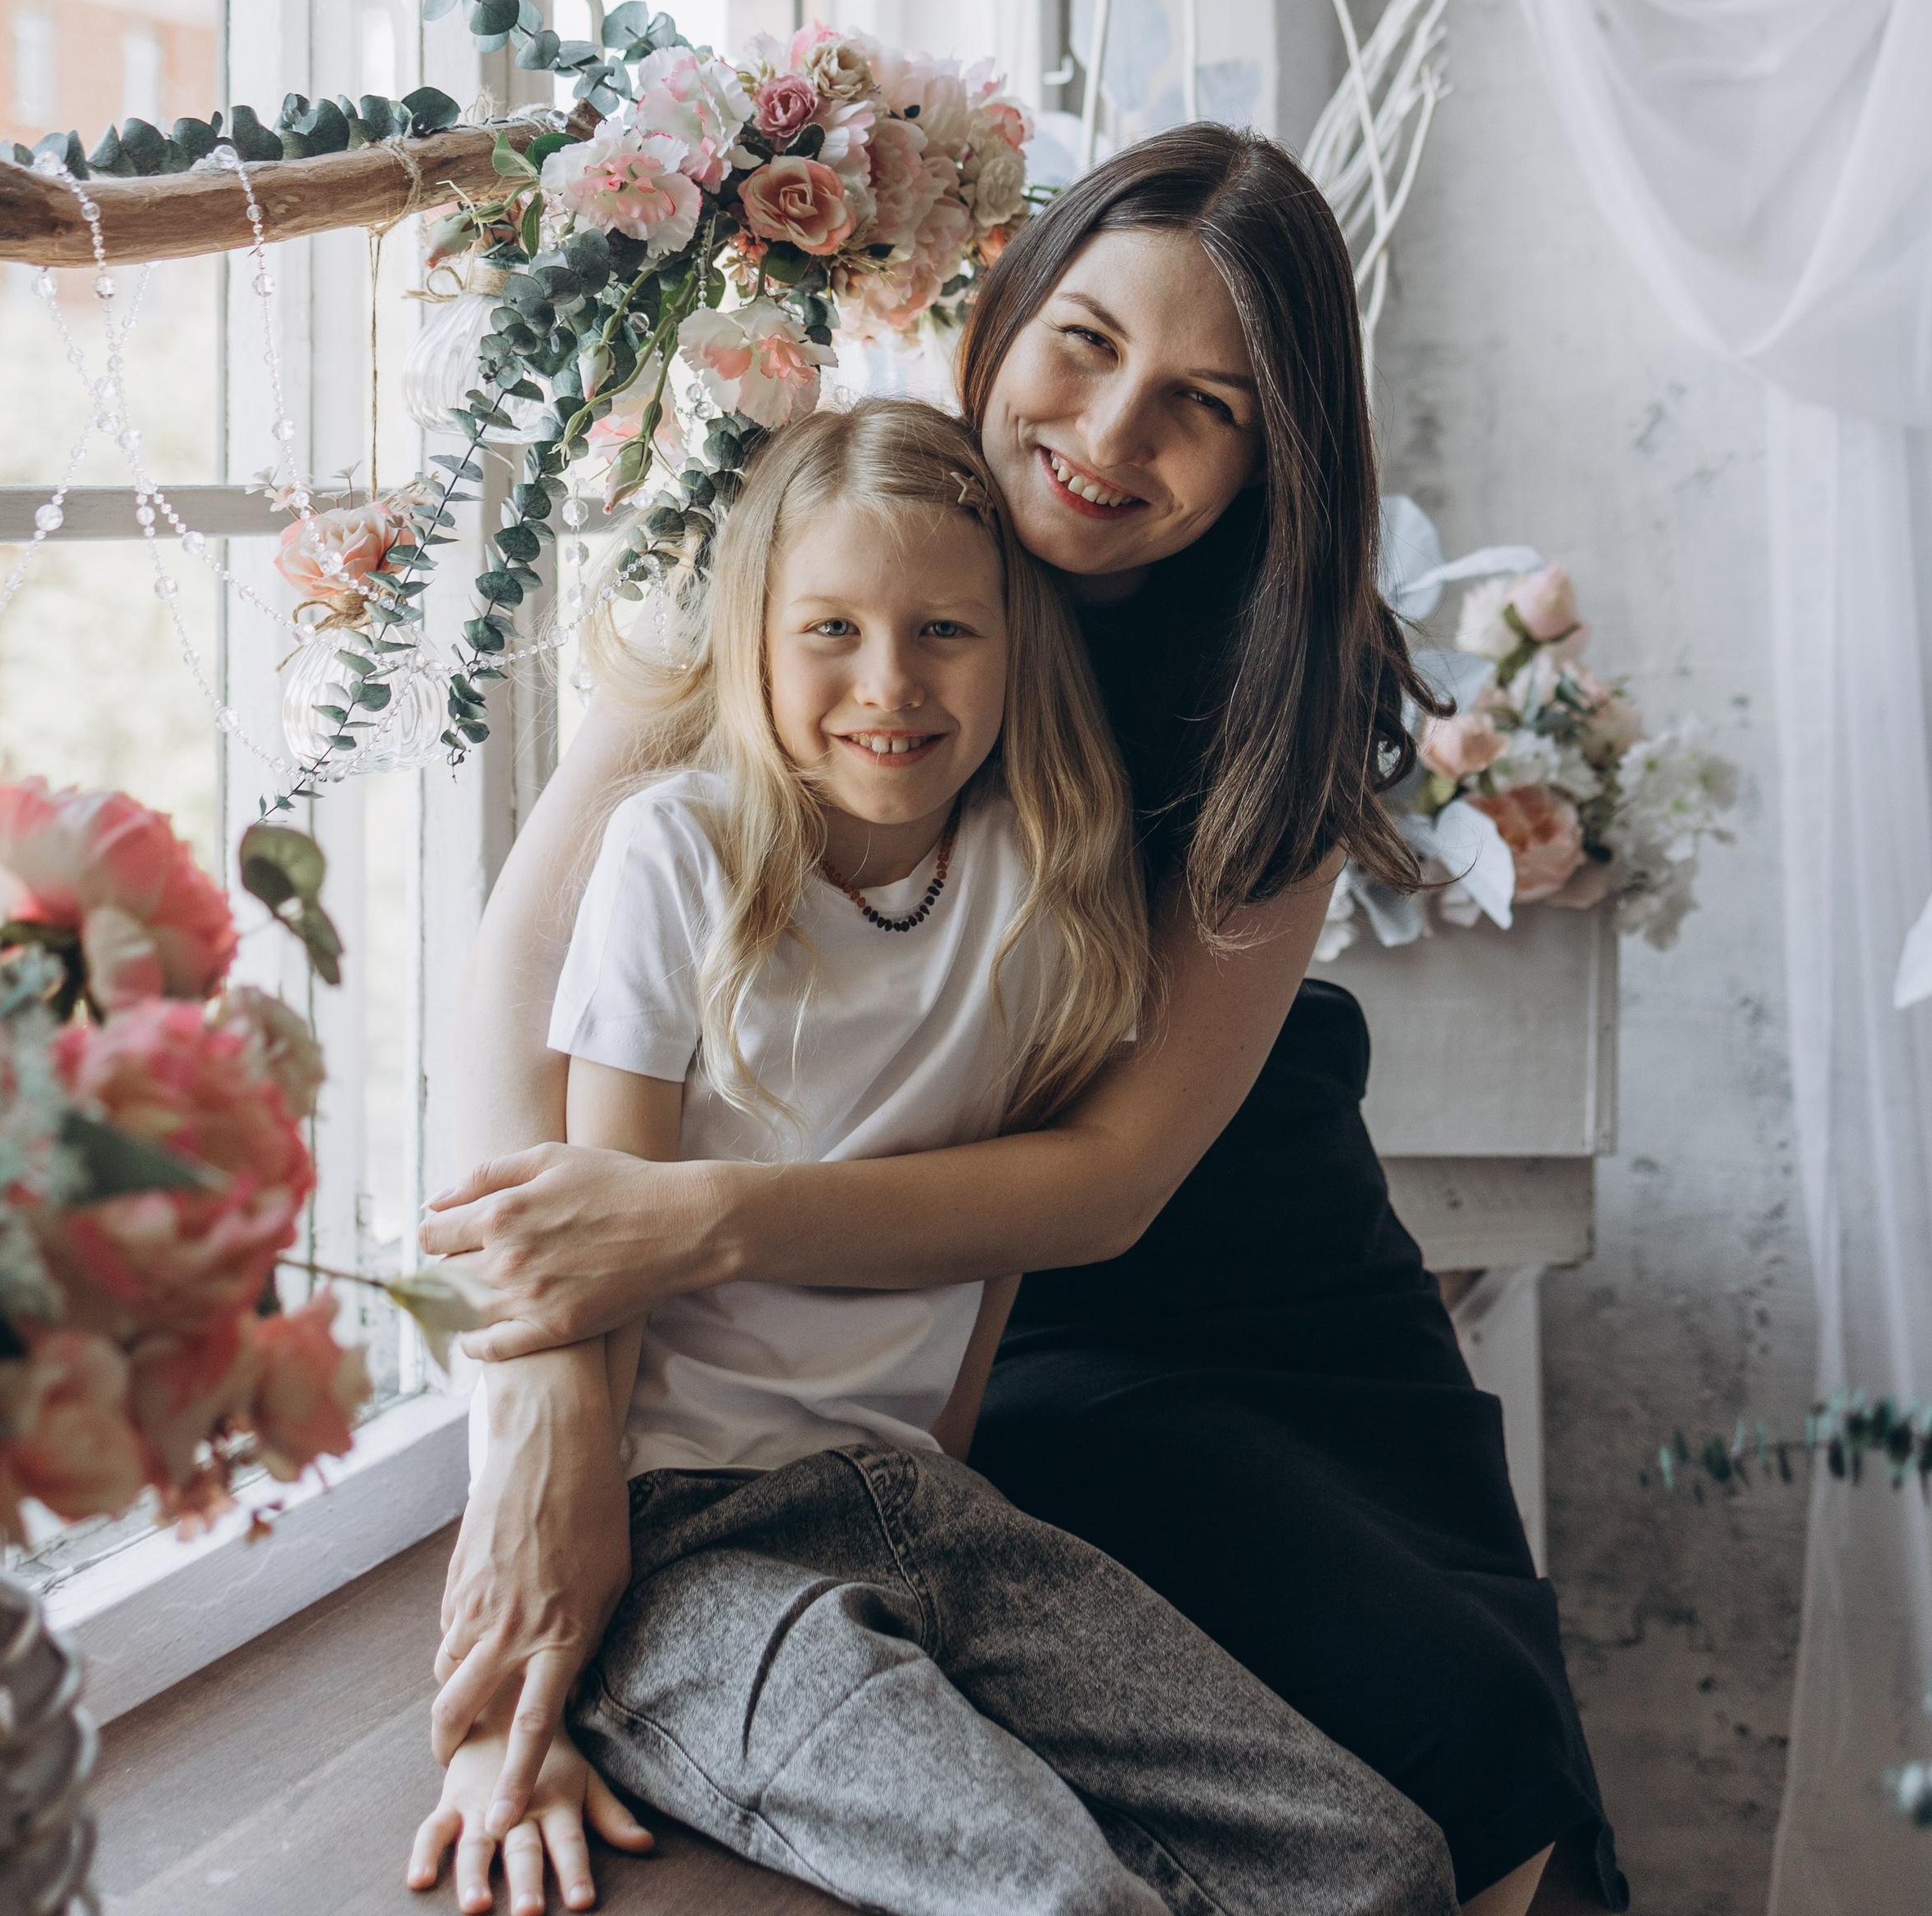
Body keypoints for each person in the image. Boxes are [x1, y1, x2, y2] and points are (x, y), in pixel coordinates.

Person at [420, 125, 1624, 1916]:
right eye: (1085, 343)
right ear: (1003, 312)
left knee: (1479, 1745)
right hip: (945, 1318)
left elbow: (1107, 1180)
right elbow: (531, 982)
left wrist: (691, 1221)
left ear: (1273, 452)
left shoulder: (1292, 677)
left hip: (1211, 1244)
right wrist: (540, 1415)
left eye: (1204, 403)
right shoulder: (827, 537)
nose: (1113, 434)